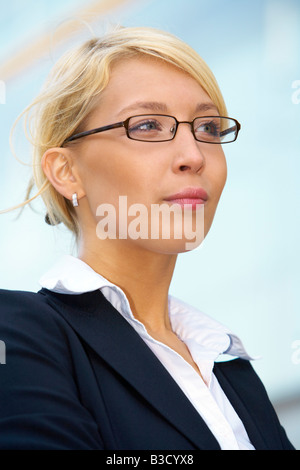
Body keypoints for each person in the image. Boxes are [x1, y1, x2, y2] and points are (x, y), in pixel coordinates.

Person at [0, 26, 294, 450]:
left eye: (209, 128)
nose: (193, 156)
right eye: (149, 125)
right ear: (67, 171)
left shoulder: (232, 372)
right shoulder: (21, 334)